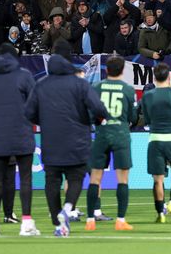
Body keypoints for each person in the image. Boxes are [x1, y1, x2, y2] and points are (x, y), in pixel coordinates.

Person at [25, 54, 107, 237]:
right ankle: (68, 208)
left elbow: (29, 112)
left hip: (51, 141)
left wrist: (45, 121)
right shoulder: (79, 84)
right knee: (76, 177)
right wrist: (97, 118)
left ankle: (57, 223)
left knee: (52, 181)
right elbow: (98, 107)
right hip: (77, 140)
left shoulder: (41, 85)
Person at [0, 44, 39, 237]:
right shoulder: (24, 75)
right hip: (21, 132)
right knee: (25, 178)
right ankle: (26, 223)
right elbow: (34, 103)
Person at [86, 56, 138, 231]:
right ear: (122, 70)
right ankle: (120, 220)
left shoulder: (96, 87)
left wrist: (101, 122)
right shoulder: (128, 89)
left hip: (101, 135)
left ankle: (90, 220)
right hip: (121, 134)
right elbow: (133, 117)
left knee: (95, 178)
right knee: (122, 179)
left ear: (106, 70)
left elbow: (91, 114)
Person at [141, 63, 171, 223]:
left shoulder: (147, 96)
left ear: (154, 77)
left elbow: (147, 119)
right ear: (169, 77)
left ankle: (161, 213)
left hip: (155, 139)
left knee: (158, 179)